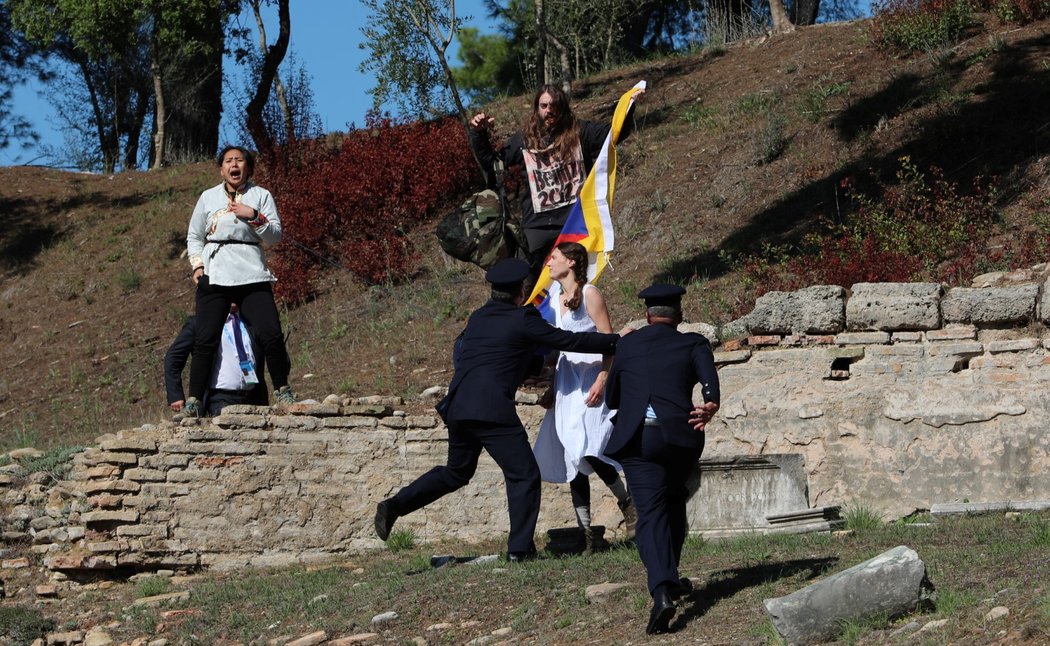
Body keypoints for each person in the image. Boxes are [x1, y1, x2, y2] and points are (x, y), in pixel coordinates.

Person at [373, 258, 621, 561]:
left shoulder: (478, 317)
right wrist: (615, 341)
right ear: (521, 290)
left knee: (456, 472)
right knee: (525, 474)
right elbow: (567, 340)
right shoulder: (524, 318)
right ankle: (520, 550)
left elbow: (493, 353)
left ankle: (395, 506)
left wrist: (534, 366)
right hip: (491, 409)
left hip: (459, 404)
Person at [604, 284, 721, 635]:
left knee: (651, 514)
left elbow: (612, 398)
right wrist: (711, 403)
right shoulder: (694, 343)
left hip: (640, 437)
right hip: (682, 437)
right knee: (673, 500)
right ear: (679, 316)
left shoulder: (628, 344)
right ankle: (671, 576)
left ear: (647, 315)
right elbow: (709, 387)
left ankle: (661, 591)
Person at [532, 242, 636, 553]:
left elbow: (610, 341)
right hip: (567, 382)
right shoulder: (554, 298)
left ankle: (627, 503)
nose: (549, 263)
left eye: (555, 257)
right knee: (571, 458)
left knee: (589, 448)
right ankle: (588, 535)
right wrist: (551, 386)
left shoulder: (591, 293)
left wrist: (604, 378)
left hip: (591, 378)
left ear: (572, 261)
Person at [468, 84, 639, 271]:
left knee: (576, 280)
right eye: (544, 106)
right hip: (536, 227)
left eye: (554, 105)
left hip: (574, 223)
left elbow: (616, 133)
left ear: (563, 107)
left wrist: (628, 105)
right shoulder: (523, 141)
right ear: (536, 109)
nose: (549, 110)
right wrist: (478, 134)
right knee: (527, 282)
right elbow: (492, 164)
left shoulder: (581, 132)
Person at [183, 145, 295, 418]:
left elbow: (275, 236)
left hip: (251, 270)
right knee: (205, 338)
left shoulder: (261, 195)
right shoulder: (208, 197)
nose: (234, 165)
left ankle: (283, 389)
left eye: (240, 160)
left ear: (248, 167)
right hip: (216, 270)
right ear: (222, 169)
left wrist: (254, 216)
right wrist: (197, 266)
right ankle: (195, 399)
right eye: (228, 161)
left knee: (271, 333)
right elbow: (194, 237)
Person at [164, 305, 269, 418]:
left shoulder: (252, 322)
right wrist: (176, 395)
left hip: (254, 398)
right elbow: (173, 357)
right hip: (219, 399)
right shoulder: (200, 323)